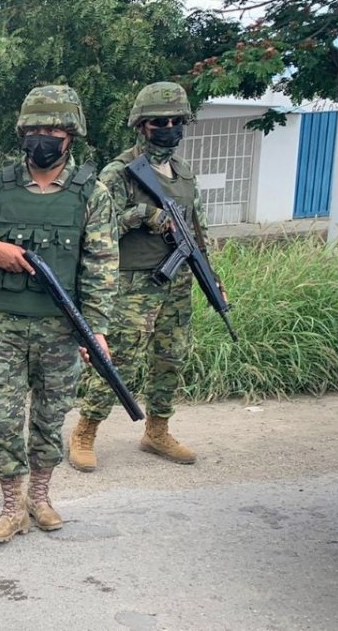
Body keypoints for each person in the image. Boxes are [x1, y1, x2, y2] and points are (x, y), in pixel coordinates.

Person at [0, 85, 117, 544]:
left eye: (53, 131)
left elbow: (101, 266)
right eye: (35, 130)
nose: (43, 139)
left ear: (71, 136)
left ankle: (40, 498)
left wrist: (95, 330)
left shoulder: (91, 194)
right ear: (23, 133)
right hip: (3, 326)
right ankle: (11, 506)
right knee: (1, 416)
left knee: (49, 415)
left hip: (61, 329)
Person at [69, 81, 208, 471]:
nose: (168, 127)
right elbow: (95, 228)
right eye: (158, 121)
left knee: (171, 357)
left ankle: (157, 430)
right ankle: (85, 431)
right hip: (132, 284)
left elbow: (198, 229)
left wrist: (211, 275)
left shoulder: (183, 172)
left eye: (175, 120)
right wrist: (144, 216)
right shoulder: (120, 173)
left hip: (177, 281)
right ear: (141, 125)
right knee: (121, 361)